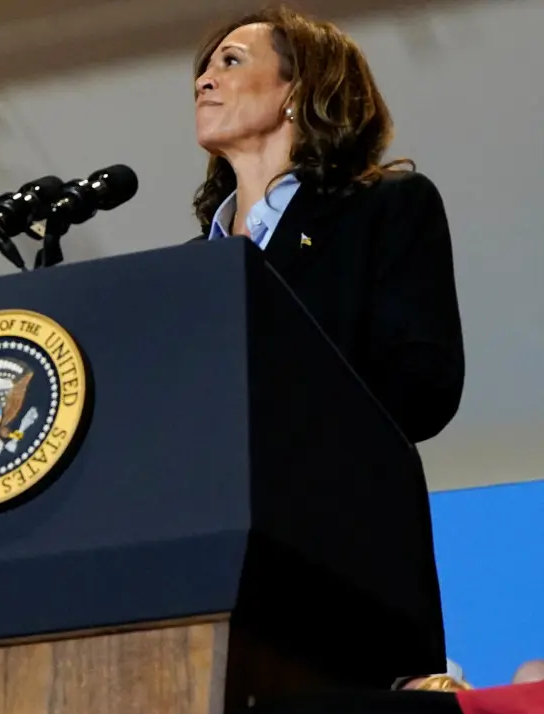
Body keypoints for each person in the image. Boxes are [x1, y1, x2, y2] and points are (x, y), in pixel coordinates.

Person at [192, 5, 464, 443]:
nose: (203, 81)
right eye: (205, 69)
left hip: (330, 499)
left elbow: (424, 386)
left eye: (231, 61)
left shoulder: (383, 208)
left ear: (297, 92)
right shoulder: (188, 266)